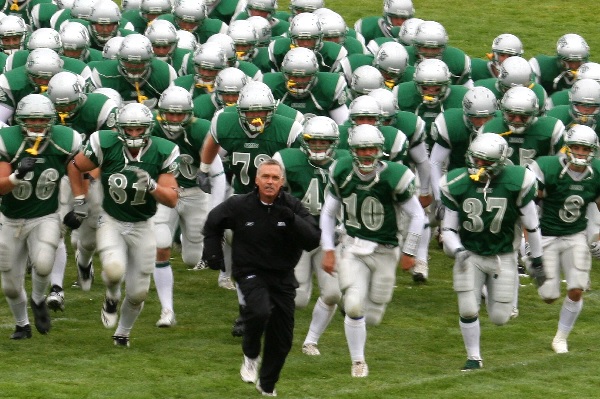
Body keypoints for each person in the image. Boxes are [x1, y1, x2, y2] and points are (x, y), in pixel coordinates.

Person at [202, 159, 321, 397]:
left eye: (275, 178)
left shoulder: (293, 207)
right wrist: (212, 251)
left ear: (282, 182)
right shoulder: (239, 204)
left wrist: (293, 221)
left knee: (283, 339)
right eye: (265, 177)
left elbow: (313, 239)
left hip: (283, 276)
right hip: (250, 271)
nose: (269, 182)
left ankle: (266, 386)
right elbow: (213, 222)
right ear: (256, 180)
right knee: (259, 310)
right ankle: (251, 354)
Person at [320, 124, 429, 377]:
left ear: (380, 150)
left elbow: (417, 215)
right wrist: (328, 248)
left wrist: (410, 251)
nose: (367, 154)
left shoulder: (396, 175)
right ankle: (358, 361)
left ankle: (360, 326)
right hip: (353, 246)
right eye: (362, 149)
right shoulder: (342, 170)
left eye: (371, 148)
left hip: (385, 250)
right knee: (354, 305)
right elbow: (328, 213)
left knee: (374, 314)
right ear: (353, 150)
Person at [69, 102, 180, 347]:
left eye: (139, 129)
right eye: (128, 129)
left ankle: (123, 332)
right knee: (114, 270)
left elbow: (172, 199)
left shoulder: (164, 150)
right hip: (112, 220)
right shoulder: (105, 143)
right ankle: (111, 296)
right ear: (119, 128)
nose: (133, 134)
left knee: (139, 291)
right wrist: (80, 200)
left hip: (142, 224)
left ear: (148, 129)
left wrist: (152, 186)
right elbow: (75, 166)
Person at [439, 133, 545, 370]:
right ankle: (473, 357)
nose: (478, 166)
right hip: (471, 254)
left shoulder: (517, 180)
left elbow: (531, 225)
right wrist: (458, 251)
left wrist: (536, 259)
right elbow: (447, 228)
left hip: (503, 255)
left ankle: (490, 289)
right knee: (467, 308)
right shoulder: (457, 183)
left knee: (500, 317)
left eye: (484, 162)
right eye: (476, 160)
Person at [0, 94, 83, 339]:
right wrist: (17, 175)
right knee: (11, 284)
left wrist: (81, 205)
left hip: (45, 216)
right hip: (10, 219)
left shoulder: (65, 140)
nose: (36, 125)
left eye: (41, 120)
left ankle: (38, 300)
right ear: (20, 121)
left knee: (44, 263)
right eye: (31, 120)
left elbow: (81, 171)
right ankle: (22, 325)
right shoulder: (7, 140)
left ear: (51, 120)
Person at [150, 86, 226, 327]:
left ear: (189, 114)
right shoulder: (149, 127)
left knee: (193, 259)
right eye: (169, 114)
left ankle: (183, 237)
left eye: (179, 114)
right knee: (161, 245)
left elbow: (218, 174)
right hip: (165, 192)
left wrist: (215, 215)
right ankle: (167, 311)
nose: (173, 119)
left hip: (194, 194)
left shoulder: (201, 130)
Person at [272, 116, 346, 356]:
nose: (318, 147)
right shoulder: (287, 160)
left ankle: (311, 340)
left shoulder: (346, 162)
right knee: (299, 298)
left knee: (333, 293)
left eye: (324, 143)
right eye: (313, 142)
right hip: (299, 236)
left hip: (332, 237)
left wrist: (345, 228)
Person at [526, 125, 600, 353]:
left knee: (576, 288)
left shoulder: (596, 172)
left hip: (575, 234)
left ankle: (560, 338)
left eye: (585, 149)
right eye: (576, 147)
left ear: (592, 150)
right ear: (567, 148)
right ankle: (534, 265)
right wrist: (527, 238)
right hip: (546, 234)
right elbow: (526, 203)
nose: (580, 153)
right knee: (549, 296)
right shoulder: (547, 167)